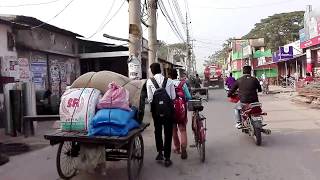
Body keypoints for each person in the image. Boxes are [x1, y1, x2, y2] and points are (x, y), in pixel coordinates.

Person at [146, 63, 176, 167]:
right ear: (161, 70)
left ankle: (160, 153)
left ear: (152, 71)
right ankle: (167, 158)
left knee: (158, 131)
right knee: (168, 133)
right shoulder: (170, 81)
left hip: (156, 111)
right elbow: (173, 97)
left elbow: (150, 99)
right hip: (168, 111)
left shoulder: (149, 81)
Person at [171, 70, 192, 159]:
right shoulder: (182, 84)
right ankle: (184, 149)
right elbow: (188, 97)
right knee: (182, 130)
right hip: (181, 110)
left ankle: (177, 148)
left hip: (171, 110)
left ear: (169, 76)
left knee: (174, 130)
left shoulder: (167, 84)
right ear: (177, 76)